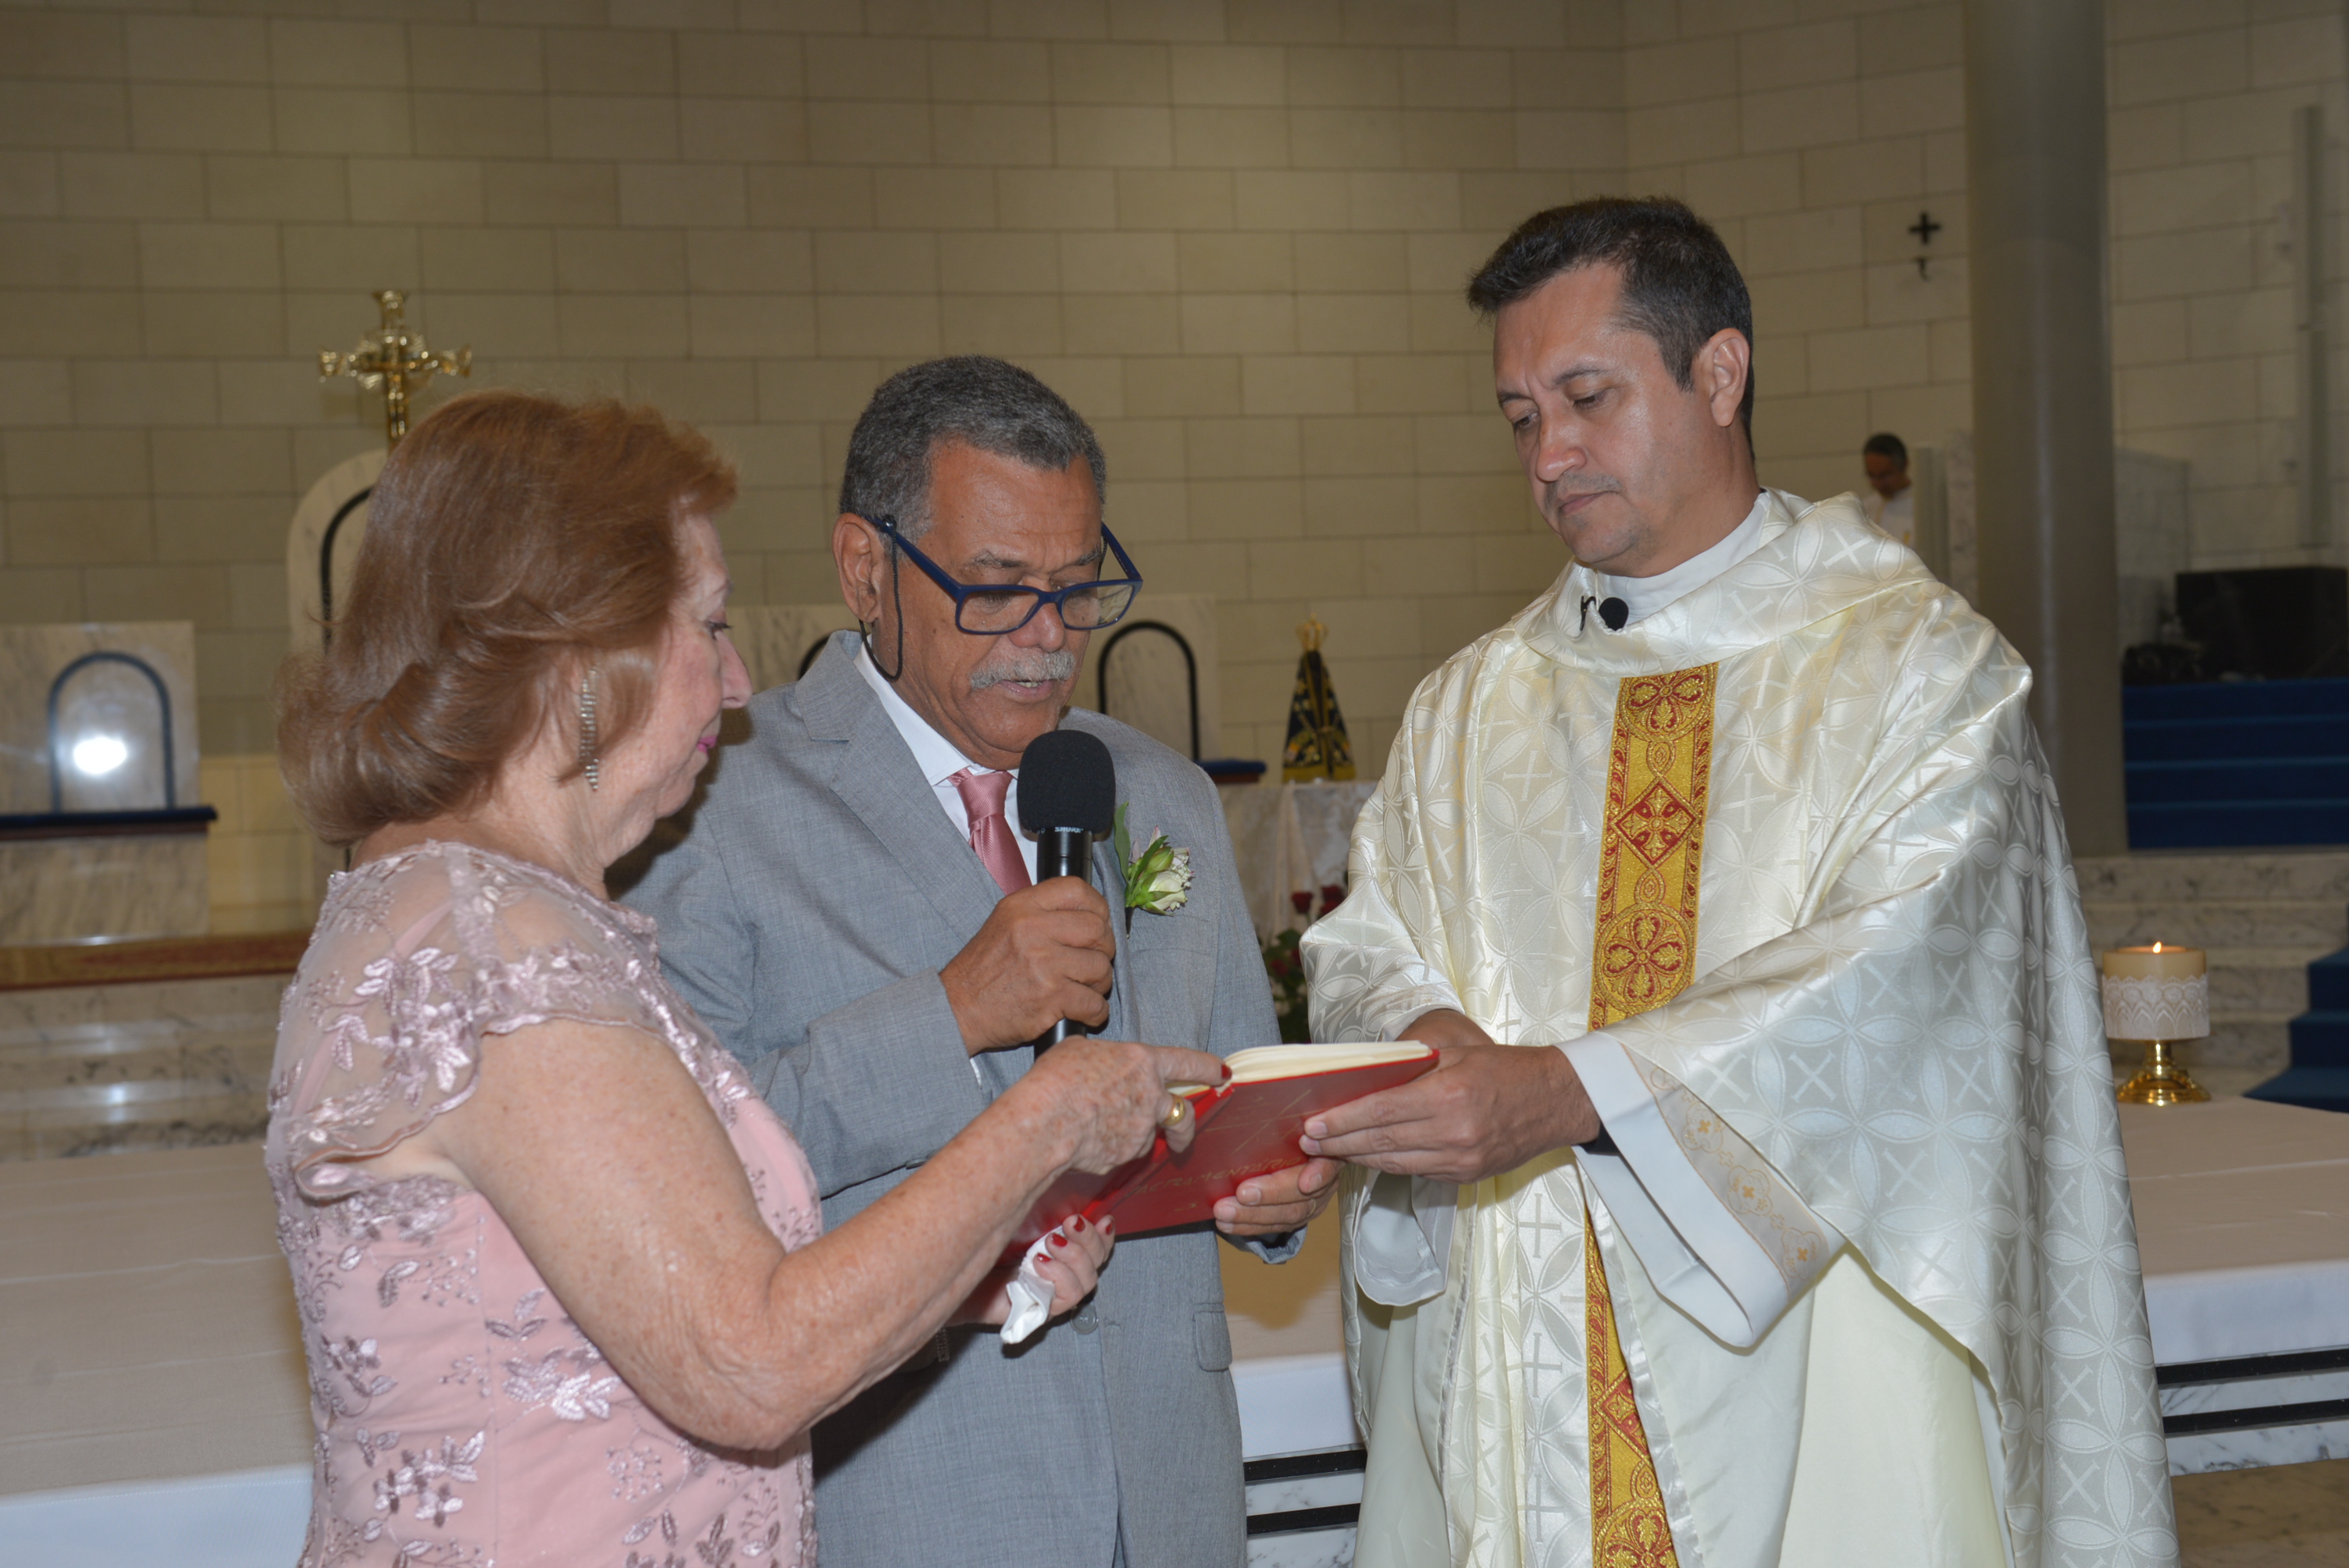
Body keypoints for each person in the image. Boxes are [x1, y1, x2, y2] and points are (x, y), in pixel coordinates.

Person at [1299, 199, 2176, 1568]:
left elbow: (1893, 984)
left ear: (1718, 372)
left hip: (1829, 1381)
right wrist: (1423, 1036)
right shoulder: (1469, 705)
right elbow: (1369, 936)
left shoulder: (1919, 674)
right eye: (1520, 417)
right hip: (1524, 1355)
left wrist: (1563, 1091)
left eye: (1587, 397)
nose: (1549, 453)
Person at [266, 390, 1224, 1567]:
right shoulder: (495, 951)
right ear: (583, 657)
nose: (735, 680)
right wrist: (1047, 1120)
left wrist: (960, 1277)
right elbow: (747, 1368)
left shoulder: (487, 911)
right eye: (709, 626)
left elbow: (635, 1300)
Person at [623, 355, 1335, 1568]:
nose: (1049, 638)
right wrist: (951, 1013)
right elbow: (682, 1178)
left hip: (1169, 1493)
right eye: (997, 589)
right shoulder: (715, 807)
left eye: (1078, 587)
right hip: (911, 1498)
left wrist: (1275, 1189)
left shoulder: (1160, 793)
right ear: (867, 569)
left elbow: (1238, 1091)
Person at [1863, 429, 1916, 547]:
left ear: (1905, 465)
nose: (1878, 484)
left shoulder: (1923, 507)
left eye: (1885, 475)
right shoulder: (1865, 509)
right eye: (1872, 475)